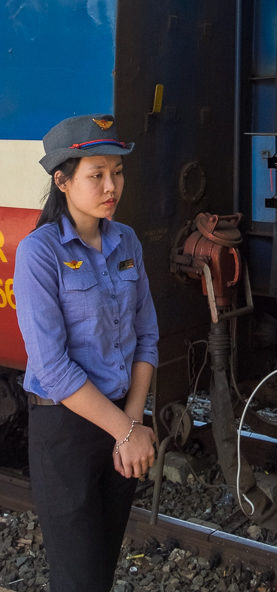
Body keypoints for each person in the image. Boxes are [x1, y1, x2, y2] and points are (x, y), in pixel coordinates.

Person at [14, 114, 159, 592]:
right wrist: (126, 432)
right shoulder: (40, 252)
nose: (111, 185)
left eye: (116, 172)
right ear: (62, 179)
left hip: (120, 423)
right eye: (96, 174)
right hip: (66, 432)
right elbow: (52, 369)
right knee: (78, 580)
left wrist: (132, 425)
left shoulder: (127, 241)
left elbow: (146, 337)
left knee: (100, 571)